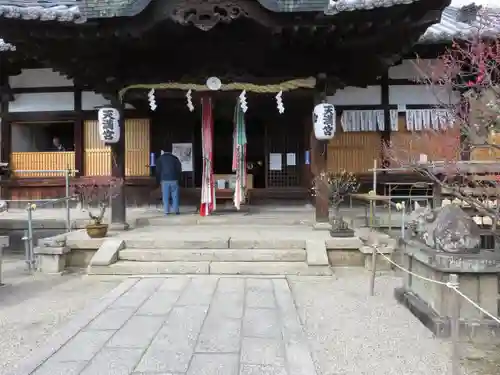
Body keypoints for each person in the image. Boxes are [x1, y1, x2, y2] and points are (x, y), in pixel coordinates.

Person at [155, 150, 182, 215]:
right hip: (174, 179)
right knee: (175, 196)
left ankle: (166, 211)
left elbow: (158, 171)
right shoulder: (175, 158)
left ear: (163, 151)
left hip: (164, 180)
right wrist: (179, 179)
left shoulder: (160, 159)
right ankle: (176, 211)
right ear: (171, 151)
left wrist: (158, 181)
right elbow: (179, 169)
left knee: (165, 196)